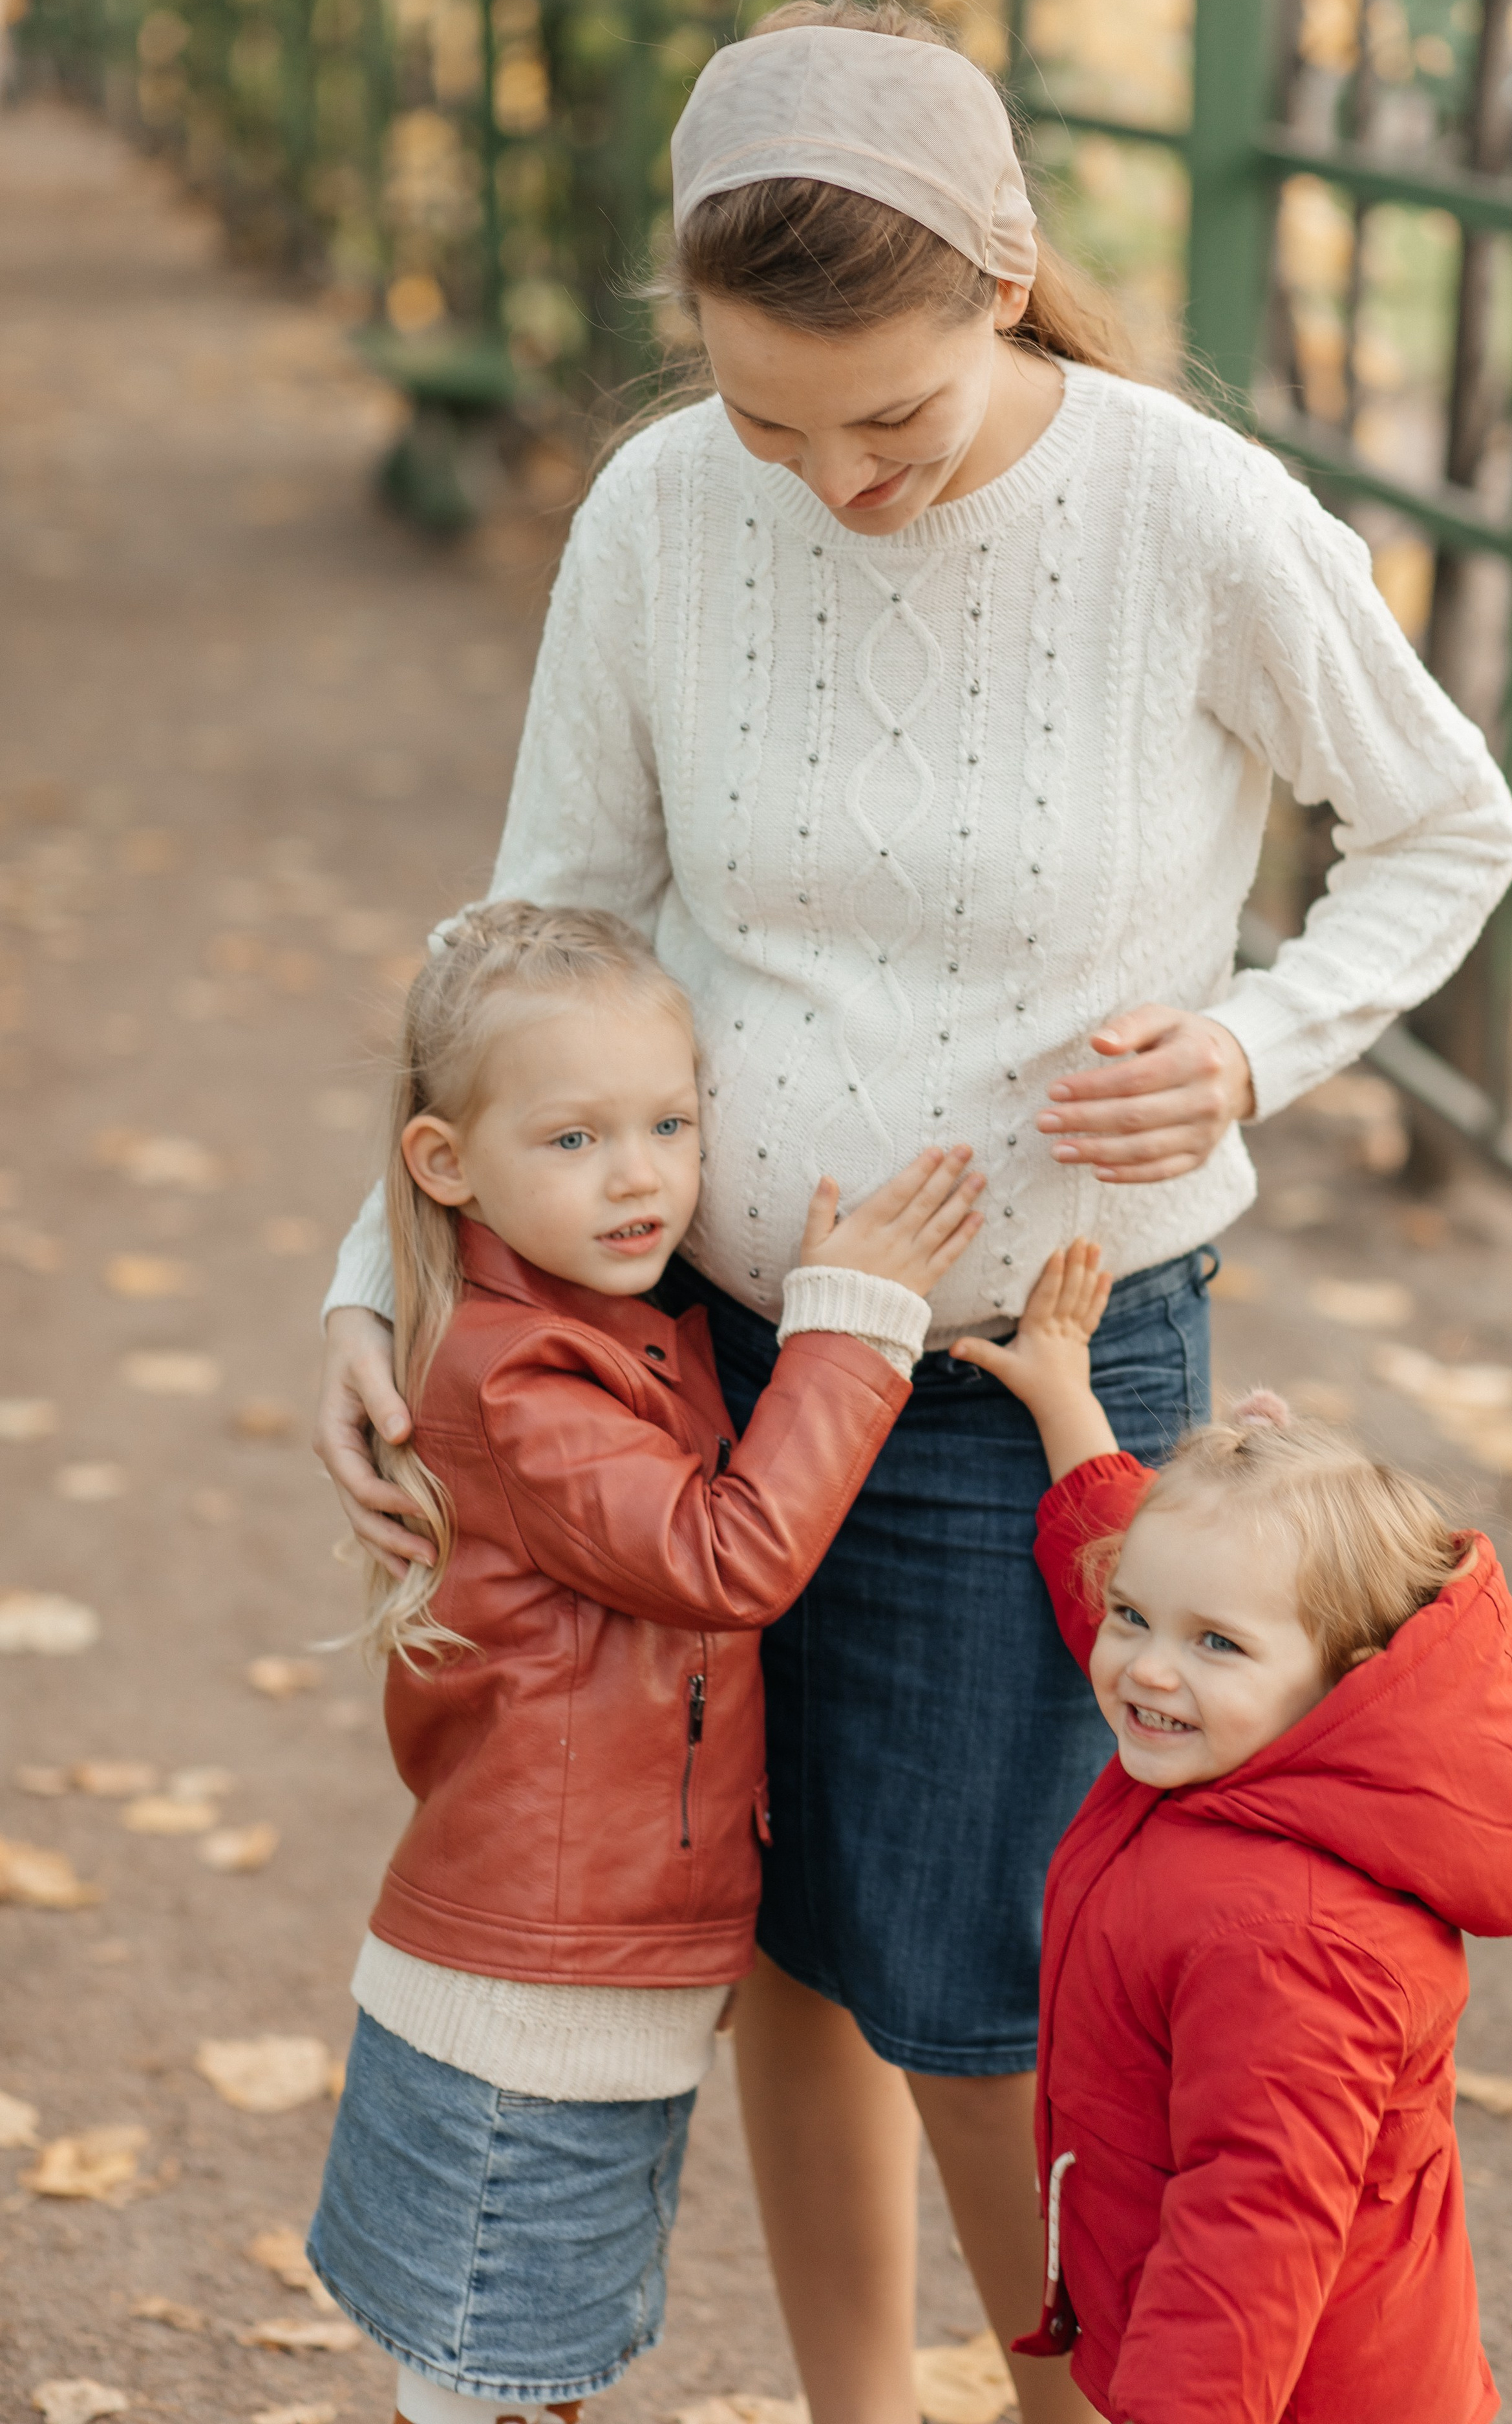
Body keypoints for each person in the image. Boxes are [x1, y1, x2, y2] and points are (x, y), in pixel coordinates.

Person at [314, 0, 1512, 2424]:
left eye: (891, 421)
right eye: (773, 422)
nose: (837, 482)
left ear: (1004, 276)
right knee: (783, 1929)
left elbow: (1447, 826)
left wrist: (1260, 1040)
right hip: (707, 1349)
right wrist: (388, 1269)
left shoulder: (1192, 513)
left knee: (995, 1985)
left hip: (1023, 1370)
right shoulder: (663, 512)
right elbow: (552, 913)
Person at [305, 901, 986, 2424]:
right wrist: (854, 1326)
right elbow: (725, 1559)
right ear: (445, 1163)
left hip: (591, 1956)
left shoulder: (604, 1325)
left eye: (670, 1125)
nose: (637, 1175)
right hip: (537, 1974)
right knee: (488, 2366)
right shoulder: (520, 1376)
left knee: (527, 2361)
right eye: (574, 1139)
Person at [953, 1242, 1512, 2424]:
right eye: (1132, 1616)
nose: (1147, 1668)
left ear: (1344, 1673)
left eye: (1214, 1643)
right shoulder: (1245, 1741)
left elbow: (1253, 2231)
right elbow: (1151, 1575)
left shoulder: (1289, 1941)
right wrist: (1065, 1397)